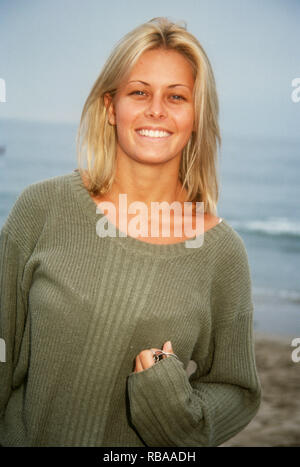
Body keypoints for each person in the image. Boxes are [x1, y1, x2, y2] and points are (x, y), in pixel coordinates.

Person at [0, 17, 261, 447]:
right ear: (110, 106)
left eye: (176, 96)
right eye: (139, 92)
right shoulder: (41, 208)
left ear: (196, 116)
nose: (156, 109)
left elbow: (237, 390)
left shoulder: (222, 254)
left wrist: (173, 410)